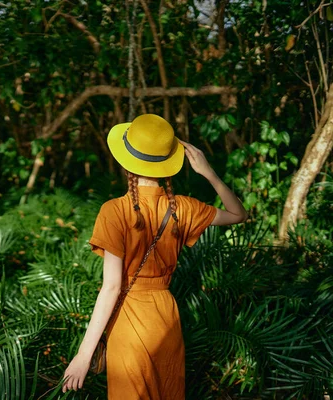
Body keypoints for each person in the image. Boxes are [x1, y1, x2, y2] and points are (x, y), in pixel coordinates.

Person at [61, 114, 248, 398]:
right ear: (166, 166)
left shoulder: (115, 211)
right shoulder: (182, 208)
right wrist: (208, 172)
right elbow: (238, 214)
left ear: (125, 162)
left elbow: (111, 287)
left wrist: (84, 356)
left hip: (129, 319)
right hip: (165, 318)